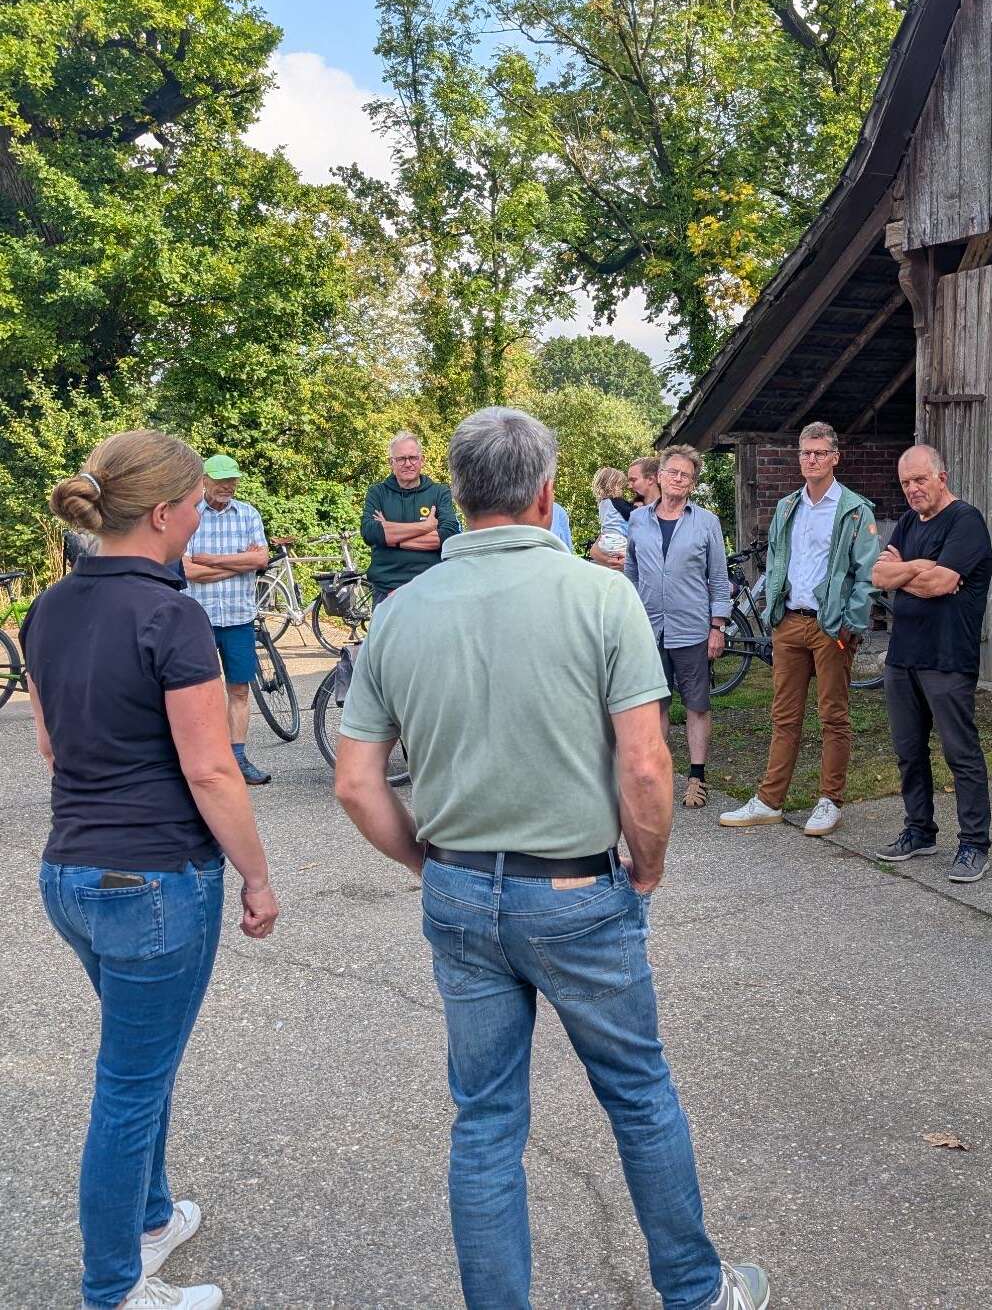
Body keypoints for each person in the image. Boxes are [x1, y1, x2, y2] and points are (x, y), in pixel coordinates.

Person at [331, 407, 768, 1310]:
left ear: (457, 495)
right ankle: (695, 1292)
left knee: (485, 1123)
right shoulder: (601, 598)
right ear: (545, 493)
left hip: (458, 885)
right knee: (638, 1096)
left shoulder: (400, 615)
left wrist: (425, 863)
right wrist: (648, 864)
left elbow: (355, 783)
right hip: (574, 886)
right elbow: (645, 765)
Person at [25, 431, 280, 1310]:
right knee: (130, 1089)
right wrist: (257, 876)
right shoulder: (173, 617)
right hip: (153, 882)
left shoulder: (47, 610)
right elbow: (212, 771)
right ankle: (114, 1286)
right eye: (197, 506)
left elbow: (52, 746)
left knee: (144, 1059)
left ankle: (152, 1217)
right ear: (166, 513)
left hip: (70, 874)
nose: (202, 519)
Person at [720, 421, 881, 837]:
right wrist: (773, 610)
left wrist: (851, 624)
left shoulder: (854, 510)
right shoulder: (788, 507)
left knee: (833, 716)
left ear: (834, 458)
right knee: (784, 716)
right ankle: (769, 801)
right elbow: (777, 560)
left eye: (819, 453)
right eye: (805, 453)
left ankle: (830, 801)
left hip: (831, 628)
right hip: (789, 623)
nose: (811, 459)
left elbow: (867, 573)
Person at [870, 445, 992, 883]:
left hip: (948, 657)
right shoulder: (908, 522)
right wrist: (919, 566)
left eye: (920, 479)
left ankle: (974, 843)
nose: (913, 489)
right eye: (905, 483)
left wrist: (906, 570)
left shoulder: (966, 521)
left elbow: (941, 584)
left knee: (960, 753)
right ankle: (919, 830)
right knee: (908, 751)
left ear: (942, 477)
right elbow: (878, 576)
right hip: (903, 657)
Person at [625, 445, 731, 808]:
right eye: (672, 472)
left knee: (696, 704)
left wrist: (717, 626)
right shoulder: (638, 520)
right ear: (659, 476)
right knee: (655, 705)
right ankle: (658, 778)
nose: (678, 479)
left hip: (691, 628)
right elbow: (631, 571)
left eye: (685, 475)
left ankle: (696, 778)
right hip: (649, 628)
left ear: (693, 483)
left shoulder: (706, 522)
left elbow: (719, 578)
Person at [180, 455, 272, 786]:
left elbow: (261, 559)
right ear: (204, 480)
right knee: (199, 693)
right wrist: (239, 563)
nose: (227, 486)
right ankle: (205, 760)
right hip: (198, 619)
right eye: (220, 479)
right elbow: (187, 570)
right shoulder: (189, 515)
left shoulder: (248, 514)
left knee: (239, 689)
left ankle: (238, 758)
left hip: (238, 617)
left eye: (231, 479)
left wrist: (211, 560)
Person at [360, 432, 460, 605]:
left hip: (431, 588)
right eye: (401, 459)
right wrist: (426, 527)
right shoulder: (377, 493)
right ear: (391, 462)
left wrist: (390, 535)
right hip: (386, 590)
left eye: (413, 458)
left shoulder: (439, 492)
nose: (408, 464)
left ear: (422, 460)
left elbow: (448, 535)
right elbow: (370, 533)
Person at [590, 457, 661, 570]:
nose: (628, 486)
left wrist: (628, 564)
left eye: (633, 480)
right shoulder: (620, 503)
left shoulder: (663, 513)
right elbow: (594, 552)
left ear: (650, 480)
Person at [593, 466, 634, 557]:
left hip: (605, 541)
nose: (622, 489)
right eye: (620, 486)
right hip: (617, 540)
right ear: (612, 486)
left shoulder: (602, 503)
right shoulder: (616, 502)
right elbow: (631, 513)